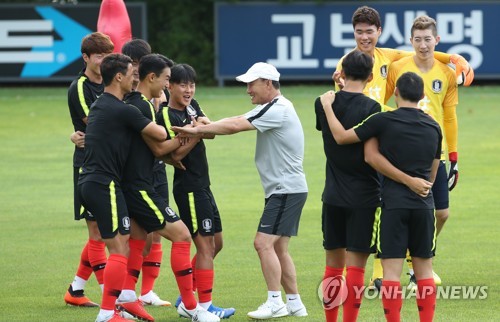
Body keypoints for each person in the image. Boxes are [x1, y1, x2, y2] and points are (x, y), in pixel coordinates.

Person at [332, 6, 472, 289]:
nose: (365, 37)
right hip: (371, 139)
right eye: (359, 32)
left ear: (378, 33)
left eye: (369, 31)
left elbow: (423, 52)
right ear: (353, 33)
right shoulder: (347, 63)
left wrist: (455, 59)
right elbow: (346, 101)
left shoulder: (390, 58)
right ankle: (370, 270)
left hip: (402, 139)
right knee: (370, 208)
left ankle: (411, 261)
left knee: (432, 211)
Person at [78, 53, 220, 322]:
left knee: (137, 241)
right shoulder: (137, 106)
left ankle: (127, 298)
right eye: (167, 79)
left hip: (122, 183)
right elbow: (159, 143)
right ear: (152, 78)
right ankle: (191, 307)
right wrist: (190, 132)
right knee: (180, 236)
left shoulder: (125, 103)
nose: (169, 85)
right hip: (135, 185)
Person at [172, 62, 309, 320]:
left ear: (268, 84)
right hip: (287, 189)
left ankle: (275, 302)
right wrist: (204, 126)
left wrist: (197, 130)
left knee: (263, 243)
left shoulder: (276, 109)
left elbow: (235, 125)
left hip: (285, 190)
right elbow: (236, 119)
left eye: (251, 84)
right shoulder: (273, 108)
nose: (248, 90)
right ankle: (295, 303)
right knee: (279, 249)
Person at [319, 71, 442, 322]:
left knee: (391, 275)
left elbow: (357, 147)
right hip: (423, 205)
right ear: (421, 96)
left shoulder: (383, 121)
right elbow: (434, 167)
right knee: (425, 272)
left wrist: (335, 101)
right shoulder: (433, 126)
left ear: (395, 92)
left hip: (394, 206)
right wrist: (421, 185)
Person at [384, 15, 459, 289]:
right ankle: (416, 270)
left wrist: (454, 157)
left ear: (436, 40)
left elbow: (449, 117)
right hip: (400, 153)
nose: (423, 45)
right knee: (400, 210)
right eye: (418, 39)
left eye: (428, 39)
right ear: (410, 40)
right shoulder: (398, 67)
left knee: (441, 214)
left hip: (433, 154)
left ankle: (418, 258)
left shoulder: (447, 73)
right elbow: (384, 103)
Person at [156, 63, 236, 319]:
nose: (188, 89)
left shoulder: (192, 106)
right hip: (188, 187)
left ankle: (186, 296)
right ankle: (203, 306)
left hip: (204, 185)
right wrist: (198, 132)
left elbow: (209, 131)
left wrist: (196, 130)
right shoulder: (167, 115)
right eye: (183, 84)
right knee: (204, 246)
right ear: (169, 86)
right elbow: (176, 153)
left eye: (192, 84)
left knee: (216, 244)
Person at [315, 50, 381, 322]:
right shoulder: (372, 109)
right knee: (356, 270)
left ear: (341, 74)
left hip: (333, 195)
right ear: (371, 76)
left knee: (333, 268)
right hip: (364, 197)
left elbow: (332, 123)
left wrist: (336, 95)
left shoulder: (322, 103)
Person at [120, 38, 171, 307]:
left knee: (154, 234)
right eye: (135, 66)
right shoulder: (132, 100)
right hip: (135, 175)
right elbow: (159, 139)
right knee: (135, 237)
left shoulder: (157, 95)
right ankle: (123, 293)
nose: (137, 72)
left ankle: (145, 292)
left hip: (156, 172)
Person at [65, 31, 114, 307]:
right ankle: (112, 296)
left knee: (103, 232)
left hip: (110, 162)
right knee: (98, 232)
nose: (105, 60)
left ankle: (76, 289)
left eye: (108, 55)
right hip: (89, 165)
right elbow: (94, 121)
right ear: (86, 58)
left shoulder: (111, 81)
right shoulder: (80, 87)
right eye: (99, 56)